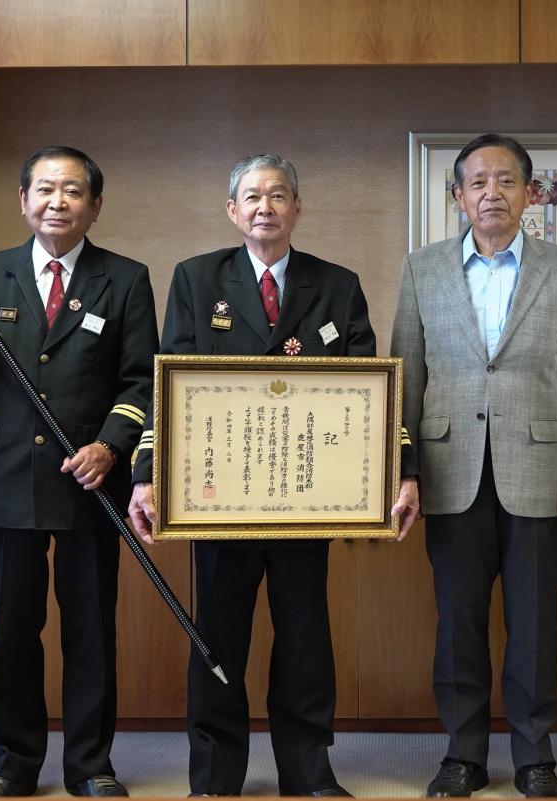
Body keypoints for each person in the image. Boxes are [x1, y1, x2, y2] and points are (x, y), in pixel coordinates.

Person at [126, 153, 419, 797]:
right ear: (233, 211)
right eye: (252, 197)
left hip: (308, 496)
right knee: (217, 639)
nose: (265, 207)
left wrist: (394, 470)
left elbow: (370, 393)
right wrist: (146, 474)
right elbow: (166, 381)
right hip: (216, 498)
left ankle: (308, 771)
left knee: (306, 637)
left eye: (278, 195)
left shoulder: (336, 285)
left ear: (297, 208)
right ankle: (215, 777)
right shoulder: (197, 280)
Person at [0, 145, 158, 798]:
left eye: (73, 190)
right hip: (6, 476)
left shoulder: (126, 278)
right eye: (45, 189)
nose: (58, 201)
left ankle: (91, 764)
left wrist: (111, 445)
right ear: (23, 200)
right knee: (13, 629)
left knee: (90, 628)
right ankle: (12, 762)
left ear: (95, 205)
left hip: (89, 482)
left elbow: (143, 380)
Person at [391, 134, 557, 799]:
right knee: (458, 621)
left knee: (535, 622)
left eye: (506, 181)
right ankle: (464, 753)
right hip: (448, 467)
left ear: (530, 193)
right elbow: (406, 374)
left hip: (538, 468)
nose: (491, 193)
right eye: (477, 182)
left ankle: (536, 755)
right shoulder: (421, 268)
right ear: (457, 196)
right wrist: (405, 470)